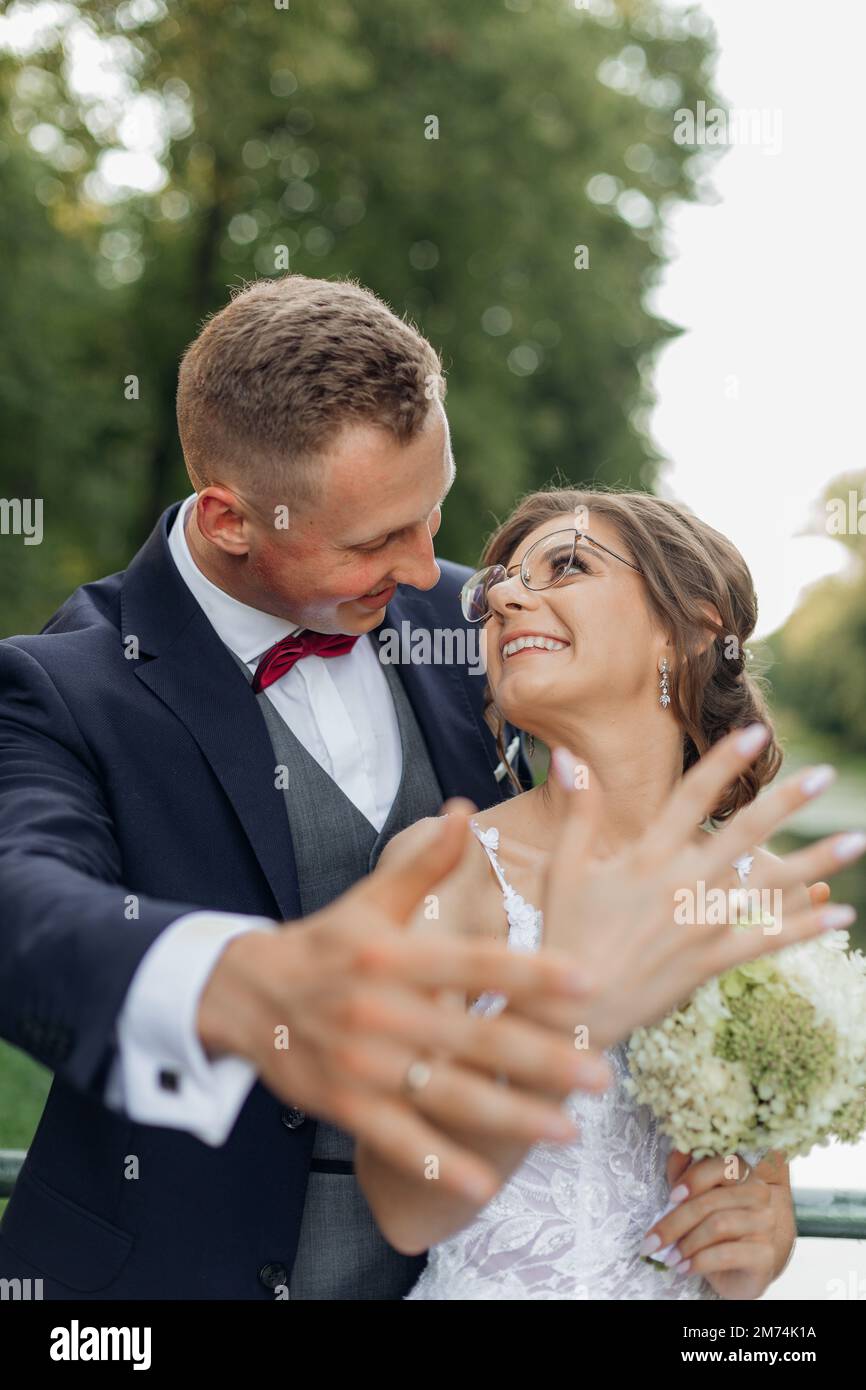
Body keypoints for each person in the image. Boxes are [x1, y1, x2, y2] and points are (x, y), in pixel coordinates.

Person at [0, 279, 852, 1299]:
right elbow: (23, 911)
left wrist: (762, 1217)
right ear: (232, 519)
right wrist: (228, 980)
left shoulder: (483, 628)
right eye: (371, 542)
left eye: (433, 514)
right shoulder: (62, 684)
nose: (438, 574)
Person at [353, 488, 866, 1300]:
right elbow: (405, 1206)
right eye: (498, 588)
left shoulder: (765, 891)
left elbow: (754, 1170)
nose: (505, 598)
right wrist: (563, 1017)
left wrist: (762, 1237)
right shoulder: (447, 868)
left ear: (690, 631)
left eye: (566, 566)